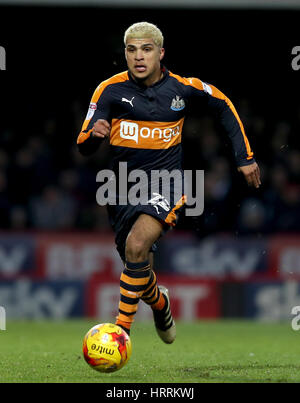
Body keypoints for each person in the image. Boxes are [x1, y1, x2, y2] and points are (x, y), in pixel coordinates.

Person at [77, 21, 261, 343]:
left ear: (160, 53)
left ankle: (119, 334)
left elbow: (224, 105)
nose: (138, 57)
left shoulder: (182, 88)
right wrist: (94, 137)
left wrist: (244, 157)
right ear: (125, 53)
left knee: (136, 247)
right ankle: (160, 304)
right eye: (132, 50)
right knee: (136, 262)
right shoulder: (109, 90)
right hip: (121, 188)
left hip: (168, 183)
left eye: (146, 49)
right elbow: (83, 144)